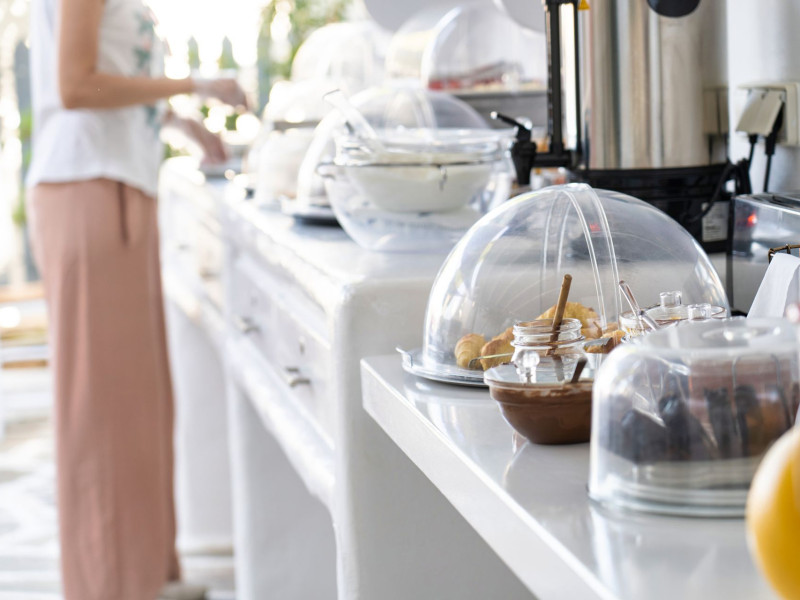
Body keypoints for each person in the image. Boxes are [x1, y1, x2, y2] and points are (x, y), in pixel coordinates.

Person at [25, 0, 246, 598]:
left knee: (138, 404)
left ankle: (146, 576)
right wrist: (196, 84)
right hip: (88, 187)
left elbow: (111, 76)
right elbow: (76, 86)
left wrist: (178, 120)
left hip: (119, 185)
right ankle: (110, 585)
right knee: (101, 409)